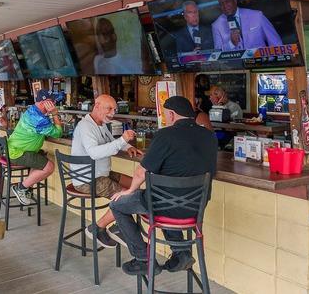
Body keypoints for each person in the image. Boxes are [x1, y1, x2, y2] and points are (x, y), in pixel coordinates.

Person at [109, 96, 218, 276]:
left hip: (165, 206)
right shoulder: (209, 136)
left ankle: (143, 258)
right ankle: (181, 253)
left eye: (167, 115)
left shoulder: (165, 135)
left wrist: (129, 191)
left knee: (117, 205)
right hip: (196, 207)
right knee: (167, 199)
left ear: (172, 115)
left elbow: (140, 172)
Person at [71, 94, 142, 248]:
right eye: (109, 108)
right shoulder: (86, 127)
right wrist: (122, 140)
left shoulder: (101, 124)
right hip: (88, 180)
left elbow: (112, 142)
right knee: (130, 197)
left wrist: (128, 146)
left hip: (100, 174)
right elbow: (94, 153)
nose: (112, 113)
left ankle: (119, 225)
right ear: (97, 106)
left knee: (136, 186)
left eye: (114, 109)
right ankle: (97, 228)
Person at [6, 89, 62, 205]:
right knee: (49, 167)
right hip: (18, 153)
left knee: (40, 155)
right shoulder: (40, 119)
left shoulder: (31, 111)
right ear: (44, 102)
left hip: (13, 149)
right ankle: (21, 187)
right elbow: (58, 133)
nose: (55, 103)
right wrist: (55, 113)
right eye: (52, 101)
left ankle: (26, 188)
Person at [211, 0, 282, 51]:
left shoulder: (257, 15)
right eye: (221, 4)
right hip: (236, 66)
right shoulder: (216, 25)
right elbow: (217, 53)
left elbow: (275, 43)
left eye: (228, 1)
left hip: (261, 63)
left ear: (235, 1)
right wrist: (231, 43)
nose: (225, 6)